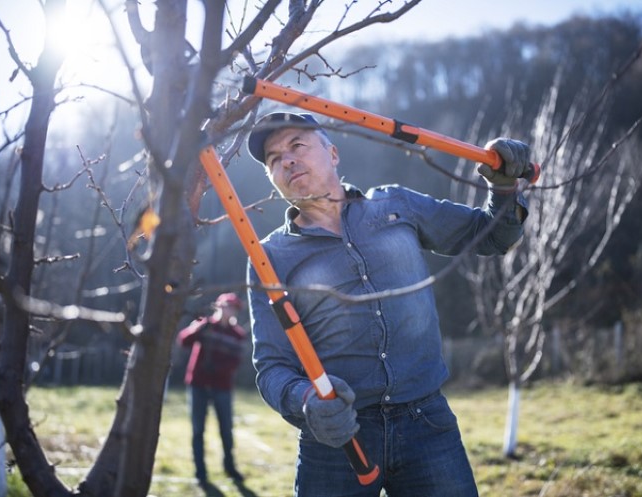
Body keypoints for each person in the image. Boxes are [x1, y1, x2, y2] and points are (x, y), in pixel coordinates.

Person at [245, 111, 531, 497]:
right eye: (274, 159)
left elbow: (490, 236)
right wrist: (308, 401)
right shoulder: (269, 257)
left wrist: (505, 187)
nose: (287, 160)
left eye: (297, 145)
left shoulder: (396, 205)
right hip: (338, 439)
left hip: (426, 423)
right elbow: (271, 367)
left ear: (332, 153)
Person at [177, 292, 247, 488]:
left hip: (221, 386)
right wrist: (197, 328)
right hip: (198, 384)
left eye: (232, 308)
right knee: (198, 429)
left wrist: (217, 369)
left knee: (226, 428)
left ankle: (230, 467)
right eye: (225, 306)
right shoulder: (205, 325)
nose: (228, 311)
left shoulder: (238, 335)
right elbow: (183, 341)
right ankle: (201, 472)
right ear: (218, 306)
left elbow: (235, 362)